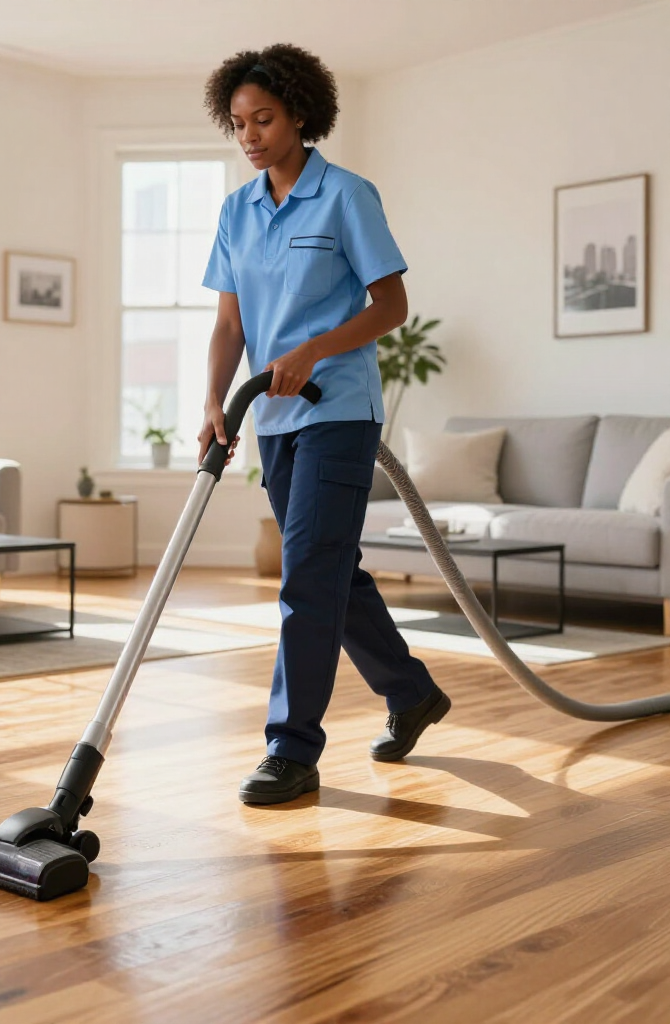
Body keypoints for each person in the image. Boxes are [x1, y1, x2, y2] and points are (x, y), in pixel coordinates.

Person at [199, 44, 450, 805]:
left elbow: (391, 307)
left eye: (264, 119)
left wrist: (316, 347)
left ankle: (292, 750)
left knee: (306, 572)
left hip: (337, 410)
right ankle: (411, 693)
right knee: (331, 569)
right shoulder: (236, 211)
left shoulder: (346, 195)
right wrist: (213, 400)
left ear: (301, 114)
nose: (249, 135)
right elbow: (228, 322)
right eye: (238, 122)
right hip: (270, 420)